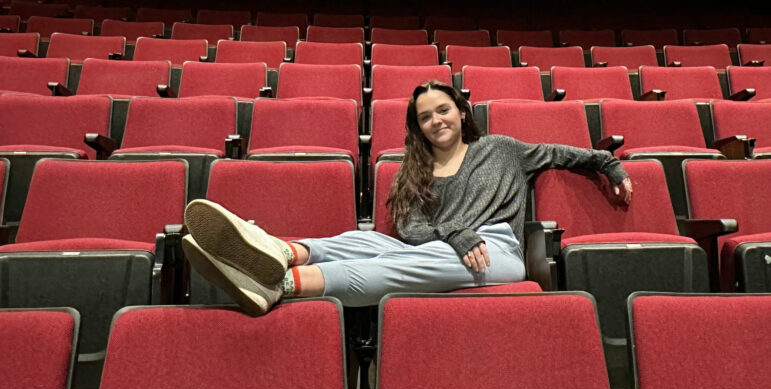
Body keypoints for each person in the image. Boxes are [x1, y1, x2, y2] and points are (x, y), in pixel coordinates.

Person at [182, 80, 632, 316]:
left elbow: (566, 153)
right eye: (424, 117)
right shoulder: (414, 170)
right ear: (418, 128)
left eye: (443, 110)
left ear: (461, 112)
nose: (436, 120)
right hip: (436, 248)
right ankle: (279, 252)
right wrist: (453, 232)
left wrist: (610, 166)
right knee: (362, 240)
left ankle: (278, 285)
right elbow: (412, 230)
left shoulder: (501, 149)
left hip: (494, 251)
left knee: (396, 262)